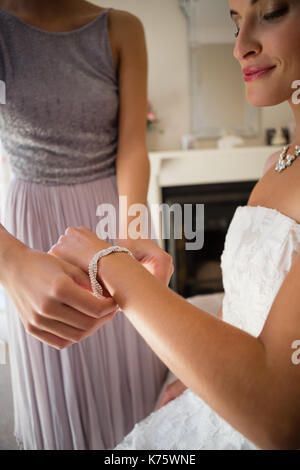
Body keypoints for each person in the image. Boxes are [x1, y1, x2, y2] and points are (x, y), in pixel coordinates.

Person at [49, 0, 300, 450]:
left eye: (274, 11)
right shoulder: (274, 166)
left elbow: (283, 423)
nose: (240, 46)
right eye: (235, 21)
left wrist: (113, 266)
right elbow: (245, 304)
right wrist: (193, 378)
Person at [0, 0, 176, 450]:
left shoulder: (120, 28)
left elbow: (132, 146)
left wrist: (132, 231)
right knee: (59, 379)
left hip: (109, 213)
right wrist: (10, 261)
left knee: (130, 361)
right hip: (28, 225)